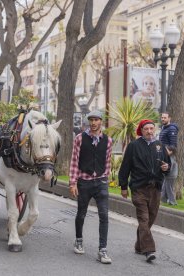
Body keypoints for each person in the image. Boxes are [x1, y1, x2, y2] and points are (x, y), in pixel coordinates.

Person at [118, 119, 170, 263]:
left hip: (155, 189)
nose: (149, 131)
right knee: (144, 219)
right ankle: (149, 251)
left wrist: (167, 167)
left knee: (149, 219)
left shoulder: (160, 145)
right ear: (141, 130)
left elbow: (167, 164)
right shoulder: (133, 146)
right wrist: (123, 186)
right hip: (139, 188)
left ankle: (139, 246)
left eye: (151, 129)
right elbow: (125, 167)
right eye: (146, 129)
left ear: (154, 130)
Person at [69, 110, 113, 264]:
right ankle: (79, 240)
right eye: (91, 120)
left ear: (101, 122)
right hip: (84, 182)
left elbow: (107, 161)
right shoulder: (80, 138)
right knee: (81, 213)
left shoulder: (108, 140)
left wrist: (105, 177)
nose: (94, 123)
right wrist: (73, 182)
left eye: (96, 120)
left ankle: (103, 250)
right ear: (88, 122)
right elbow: (74, 161)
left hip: (101, 182)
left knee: (104, 216)